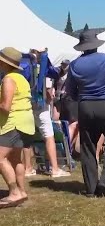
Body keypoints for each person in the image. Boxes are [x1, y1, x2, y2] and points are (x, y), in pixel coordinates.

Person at [65, 30, 105, 197]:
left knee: (88, 147)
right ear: (96, 44)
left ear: (82, 47)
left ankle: (91, 188)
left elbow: (70, 91)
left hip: (85, 106)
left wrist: (84, 97)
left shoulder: (75, 64)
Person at [23, 49, 71, 178]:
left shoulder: (24, 66)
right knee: (49, 135)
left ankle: (27, 168)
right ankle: (55, 169)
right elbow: (55, 75)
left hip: (26, 104)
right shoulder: (44, 67)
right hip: (40, 104)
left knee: (26, 137)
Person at [0, 47, 35, 208]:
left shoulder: (8, 79)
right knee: (15, 158)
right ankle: (21, 191)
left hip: (13, 122)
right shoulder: (21, 78)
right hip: (26, 122)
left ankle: (14, 192)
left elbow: (6, 106)